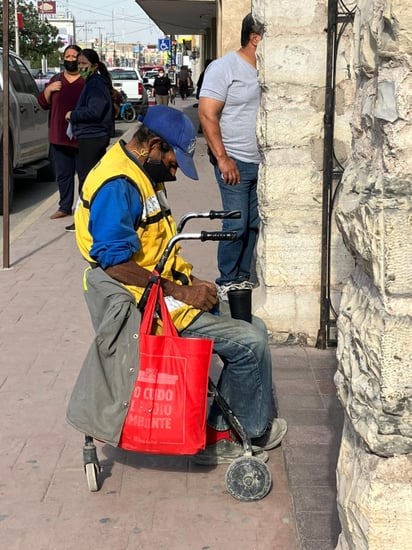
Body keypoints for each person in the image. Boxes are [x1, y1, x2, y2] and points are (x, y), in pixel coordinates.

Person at [72, 105, 287, 465]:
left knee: (255, 326)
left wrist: (190, 281)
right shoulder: (118, 185)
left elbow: (154, 247)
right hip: (146, 309)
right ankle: (231, 437)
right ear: (153, 145)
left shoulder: (140, 169)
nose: (175, 173)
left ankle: (226, 424)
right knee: (249, 342)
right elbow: (115, 263)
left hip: (160, 293)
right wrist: (181, 291)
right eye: (173, 162)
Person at [198, 13, 265, 300]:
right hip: (234, 161)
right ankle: (226, 281)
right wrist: (223, 159)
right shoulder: (224, 68)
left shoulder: (267, 70)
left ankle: (243, 279)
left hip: (263, 163)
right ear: (255, 38)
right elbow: (206, 113)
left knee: (254, 224)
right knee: (236, 224)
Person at [64, 48, 113, 232]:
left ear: (94, 66)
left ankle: (85, 220)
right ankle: (89, 218)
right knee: (90, 178)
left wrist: (73, 115)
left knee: (87, 180)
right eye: (79, 64)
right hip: (91, 136)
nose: (80, 67)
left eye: (84, 64)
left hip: (92, 136)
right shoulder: (93, 83)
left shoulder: (95, 84)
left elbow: (95, 110)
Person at [38, 45, 84, 220]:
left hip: (82, 137)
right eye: (68, 55)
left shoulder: (87, 81)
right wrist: (49, 90)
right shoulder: (56, 80)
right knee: (64, 175)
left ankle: (84, 208)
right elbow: (43, 103)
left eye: (74, 56)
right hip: (59, 137)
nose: (70, 59)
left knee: (85, 175)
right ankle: (65, 207)